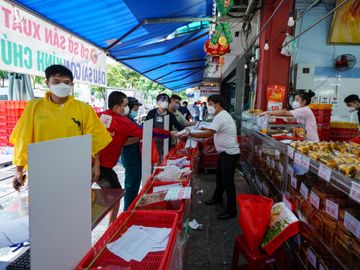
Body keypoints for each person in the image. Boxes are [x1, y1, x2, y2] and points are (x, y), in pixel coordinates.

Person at [10, 65, 112, 191]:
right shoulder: (33, 107)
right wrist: (19, 169)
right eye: (56, 82)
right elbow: (22, 138)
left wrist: (96, 164)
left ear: (71, 84)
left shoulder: (84, 109)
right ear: (47, 83)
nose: (62, 85)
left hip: (75, 169)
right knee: (45, 206)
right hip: (42, 169)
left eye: (66, 82)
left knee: (75, 205)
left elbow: (95, 139)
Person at [98, 91, 173, 224]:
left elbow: (121, 139)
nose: (129, 109)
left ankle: (114, 223)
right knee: (116, 195)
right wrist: (169, 133)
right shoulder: (123, 121)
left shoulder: (99, 116)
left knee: (112, 194)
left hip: (94, 162)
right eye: (126, 105)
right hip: (102, 165)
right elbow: (147, 132)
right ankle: (113, 225)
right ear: (116, 107)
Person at [183, 95, 240, 220]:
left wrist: (190, 134)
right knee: (220, 178)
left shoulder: (221, 116)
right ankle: (217, 198)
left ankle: (232, 210)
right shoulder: (219, 116)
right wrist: (201, 128)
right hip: (224, 153)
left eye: (210, 104)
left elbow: (209, 133)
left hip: (229, 154)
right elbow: (211, 128)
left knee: (228, 182)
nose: (208, 107)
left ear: (217, 104)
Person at [146, 93, 184, 160]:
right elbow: (146, 127)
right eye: (162, 100)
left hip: (166, 142)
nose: (165, 102)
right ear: (157, 102)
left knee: (165, 160)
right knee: (153, 161)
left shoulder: (170, 115)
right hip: (154, 142)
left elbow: (178, 126)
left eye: (166, 101)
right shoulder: (152, 113)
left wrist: (186, 131)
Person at [120, 97, 142, 210]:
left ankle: (131, 207)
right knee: (131, 186)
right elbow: (123, 141)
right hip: (130, 157)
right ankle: (128, 210)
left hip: (135, 156)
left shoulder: (130, 120)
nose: (136, 110)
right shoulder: (124, 121)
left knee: (134, 185)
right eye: (135, 108)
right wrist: (140, 137)